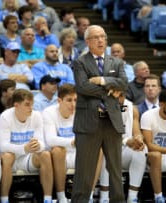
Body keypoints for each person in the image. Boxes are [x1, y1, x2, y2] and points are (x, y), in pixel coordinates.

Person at [71, 25, 128, 202]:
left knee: (116, 170)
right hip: (88, 122)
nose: (100, 40)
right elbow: (82, 87)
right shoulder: (80, 62)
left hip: (112, 122)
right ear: (88, 41)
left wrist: (102, 80)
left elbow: (124, 84)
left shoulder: (117, 62)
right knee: (84, 171)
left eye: (103, 36)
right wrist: (110, 89)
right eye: (96, 37)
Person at [0, 89, 53, 203]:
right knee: (7, 156)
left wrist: (38, 145)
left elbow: (42, 143)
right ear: (16, 105)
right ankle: (4, 199)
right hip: (10, 159)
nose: (31, 108)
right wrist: (24, 148)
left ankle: (48, 199)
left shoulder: (36, 115)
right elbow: (3, 146)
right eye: (27, 104)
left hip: (28, 158)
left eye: (32, 104)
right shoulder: (5, 117)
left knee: (46, 154)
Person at [99, 91, 147, 203]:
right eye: (116, 95)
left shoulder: (131, 108)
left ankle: (132, 197)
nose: (119, 98)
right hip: (106, 147)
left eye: (121, 95)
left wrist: (138, 139)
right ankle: (104, 197)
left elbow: (136, 131)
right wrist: (126, 141)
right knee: (105, 150)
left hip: (124, 150)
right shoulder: (100, 107)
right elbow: (103, 136)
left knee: (141, 150)